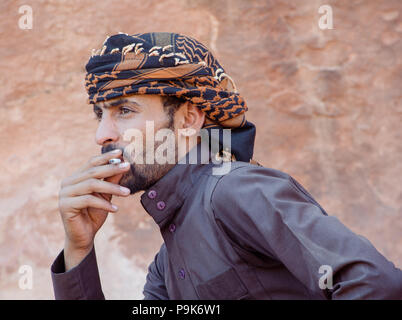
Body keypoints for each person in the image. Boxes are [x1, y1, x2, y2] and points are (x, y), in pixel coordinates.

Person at [50, 32, 402, 299]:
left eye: (124, 111)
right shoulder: (166, 266)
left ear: (188, 119)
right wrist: (78, 249)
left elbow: (375, 283)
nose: (102, 135)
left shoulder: (237, 191)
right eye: (101, 115)